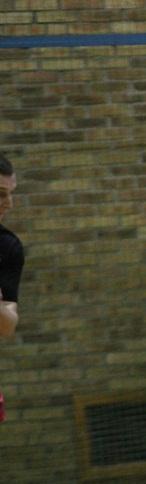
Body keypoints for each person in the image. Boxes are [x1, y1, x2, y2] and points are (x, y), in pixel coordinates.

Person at [0, 154, 24, 424]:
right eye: (0, 193)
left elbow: (7, 325)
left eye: (10, 193)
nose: (8, 203)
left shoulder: (7, 247)